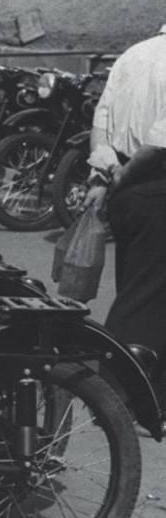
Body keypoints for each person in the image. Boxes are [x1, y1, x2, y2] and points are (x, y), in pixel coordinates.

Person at [85, 32, 166, 404]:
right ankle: (114, 394)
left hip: (126, 194)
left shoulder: (133, 54)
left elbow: (101, 122)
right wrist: (124, 175)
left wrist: (103, 176)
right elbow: (159, 143)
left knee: (137, 288)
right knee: (142, 299)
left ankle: (147, 395)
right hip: (154, 187)